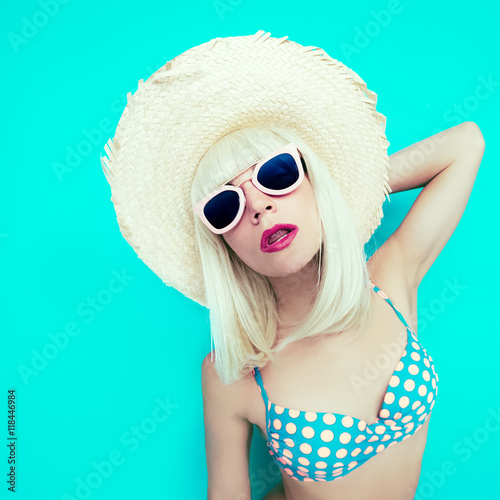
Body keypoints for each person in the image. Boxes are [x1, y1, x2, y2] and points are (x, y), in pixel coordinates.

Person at [101, 31, 485, 500]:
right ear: (225, 245)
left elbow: (466, 143)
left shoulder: (390, 277)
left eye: (276, 174)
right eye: (227, 207)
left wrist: (341, 194)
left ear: (312, 180)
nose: (258, 206)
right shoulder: (234, 373)